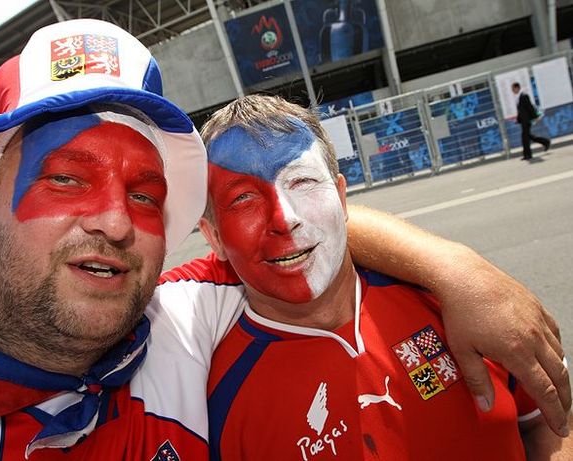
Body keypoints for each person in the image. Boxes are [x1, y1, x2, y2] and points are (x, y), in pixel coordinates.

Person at [0, 19, 568, 460]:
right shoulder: (190, 332)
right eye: (67, 177)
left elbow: (294, 235)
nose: (117, 222)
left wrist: (456, 270)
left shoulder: (176, 322)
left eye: (146, 195)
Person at [190, 94, 572, 460]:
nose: (285, 218)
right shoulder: (214, 407)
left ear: (341, 197)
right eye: (243, 198)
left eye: (302, 182)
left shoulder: (458, 304)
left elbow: (549, 424)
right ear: (214, 238)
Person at [512, 82, 550, 160]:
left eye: (513, 88)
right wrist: (518, 119)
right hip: (523, 120)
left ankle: (528, 155)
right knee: (527, 136)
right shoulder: (518, 97)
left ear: (517, 88)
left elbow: (530, 107)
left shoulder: (524, 96)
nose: (512, 90)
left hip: (527, 120)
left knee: (525, 137)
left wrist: (535, 117)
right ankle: (545, 142)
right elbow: (521, 111)